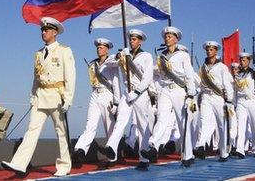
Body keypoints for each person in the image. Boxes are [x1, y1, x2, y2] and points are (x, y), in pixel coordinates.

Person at [1, 17, 76, 177]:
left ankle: (64, 165)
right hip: (40, 96)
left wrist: (68, 99)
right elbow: (36, 77)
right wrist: (32, 95)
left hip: (57, 96)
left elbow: (70, 76)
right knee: (31, 130)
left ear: (55, 32)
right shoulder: (39, 54)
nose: (43, 32)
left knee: (61, 132)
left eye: (47, 30)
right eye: (42, 29)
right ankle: (19, 163)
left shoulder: (64, 51)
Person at [141, 26, 197, 167]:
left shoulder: (183, 55)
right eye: (166, 36)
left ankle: (188, 155)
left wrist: (190, 94)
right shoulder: (161, 57)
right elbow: (155, 72)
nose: (167, 38)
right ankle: (154, 147)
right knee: (162, 118)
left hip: (179, 90)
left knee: (182, 123)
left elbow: (189, 75)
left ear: (176, 39)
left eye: (170, 36)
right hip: (165, 90)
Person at [103, 29, 154, 170]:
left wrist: (137, 92)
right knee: (120, 122)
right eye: (131, 39)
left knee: (142, 125)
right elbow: (108, 62)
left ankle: (144, 159)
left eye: (135, 39)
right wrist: (119, 54)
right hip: (126, 94)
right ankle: (111, 147)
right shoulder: (124, 55)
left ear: (140, 41)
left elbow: (147, 77)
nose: (132, 41)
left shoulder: (146, 56)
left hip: (140, 94)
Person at [72, 38, 119, 165]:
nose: (99, 49)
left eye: (102, 47)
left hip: (107, 95)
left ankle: (112, 157)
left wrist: (116, 102)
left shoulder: (112, 64)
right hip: (95, 94)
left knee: (109, 127)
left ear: (107, 49)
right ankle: (81, 150)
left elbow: (116, 84)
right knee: (90, 125)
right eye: (98, 47)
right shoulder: (93, 64)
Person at [194, 41, 234, 162]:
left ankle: (223, 153)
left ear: (216, 51)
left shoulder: (222, 67)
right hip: (206, 96)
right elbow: (200, 84)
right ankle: (200, 146)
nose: (209, 51)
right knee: (204, 121)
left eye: (211, 49)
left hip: (218, 97)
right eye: (207, 49)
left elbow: (227, 85)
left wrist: (229, 100)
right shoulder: (202, 67)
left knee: (221, 126)